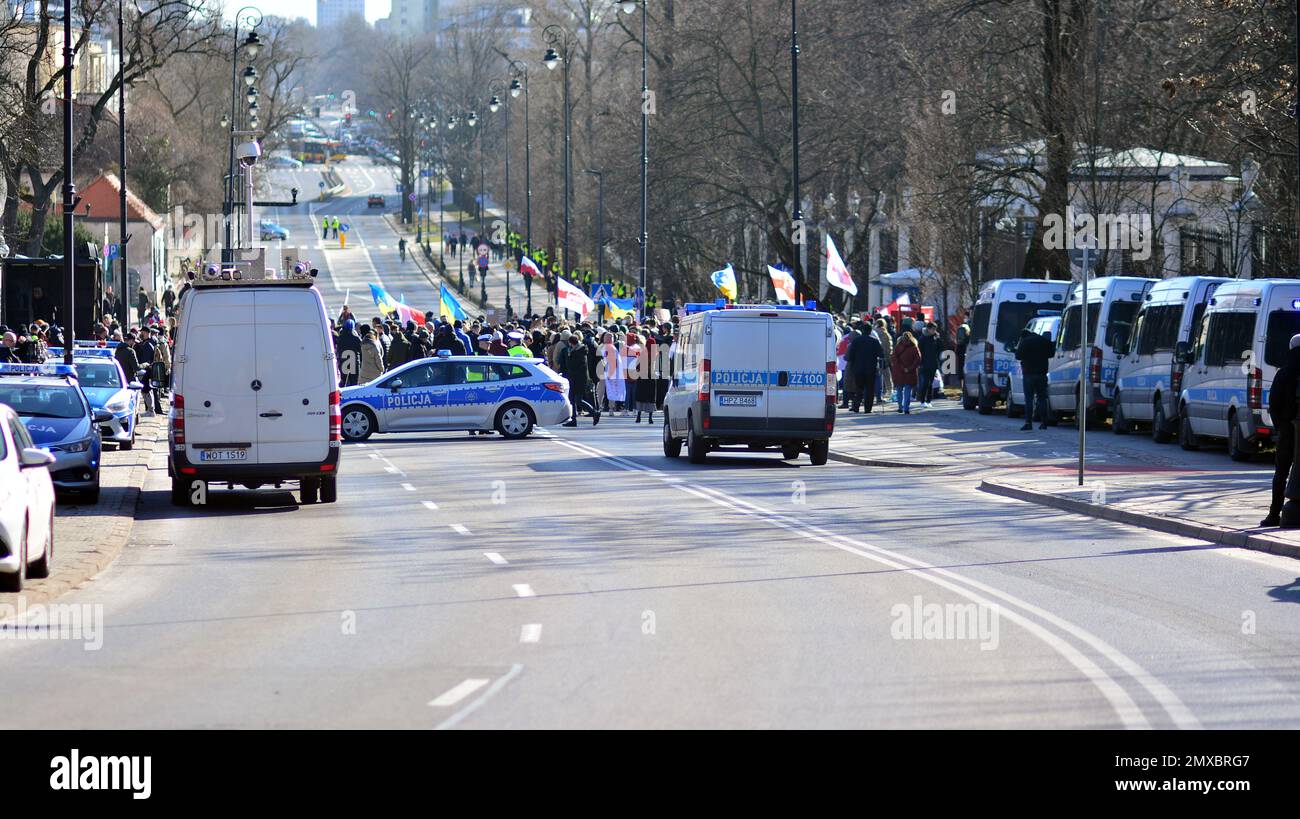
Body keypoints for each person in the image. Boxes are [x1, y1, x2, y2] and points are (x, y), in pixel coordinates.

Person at [1262, 334, 1300, 526]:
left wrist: (1282, 427)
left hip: (1287, 431)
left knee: (1281, 473)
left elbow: (1274, 404)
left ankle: (1274, 513)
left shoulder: (1284, 373)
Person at [1015, 326, 1054, 431]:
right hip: (1042, 374)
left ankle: (1028, 423)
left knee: (1029, 399)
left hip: (1029, 374)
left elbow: (1017, 356)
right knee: (1042, 399)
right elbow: (1052, 353)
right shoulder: (1043, 340)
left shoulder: (1025, 341)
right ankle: (1044, 423)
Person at [561, 334, 599, 426]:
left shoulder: (577, 352)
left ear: (571, 343)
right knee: (574, 400)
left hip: (577, 379)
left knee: (577, 400)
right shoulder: (580, 350)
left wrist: (569, 356)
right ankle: (574, 420)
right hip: (578, 378)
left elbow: (572, 365)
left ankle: (594, 412)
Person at [846, 322, 884, 413]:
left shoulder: (856, 341)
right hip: (871, 368)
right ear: (870, 331)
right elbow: (881, 354)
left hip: (858, 368)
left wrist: (852, 365)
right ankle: (868, 408)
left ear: (862, 330)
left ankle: (856, 406)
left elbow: (851, 356)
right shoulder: (874, 341)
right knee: (870, 389)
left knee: (858, 388)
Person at [891, 331, 921, 414]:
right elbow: (918, 360)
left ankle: (900, 407)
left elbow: (894, 359)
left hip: (899, 372)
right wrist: (909, 368)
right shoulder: (914, 348)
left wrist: (902, 368)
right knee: (908, 390)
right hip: (910, 373)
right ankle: (906, 408)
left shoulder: (897, 347)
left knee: (899, 390)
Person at [917, 322, 942, 407]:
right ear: (928, 329)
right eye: (933, 329)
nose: (934, 331)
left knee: (931, 383)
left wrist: (938, 339)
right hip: (924, 363)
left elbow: (939, 349)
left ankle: (929, 400)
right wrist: (920, 363)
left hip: (933, 363)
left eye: (935, 329)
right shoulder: (923, 338)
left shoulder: (935, 337)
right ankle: (922, 400)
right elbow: (919, 351)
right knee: (925, 383)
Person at [337, 319, 362, 386]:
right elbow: (361, 351)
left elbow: (338, 350)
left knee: (342, 383)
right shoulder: (356, 338)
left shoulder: (340, 338)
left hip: (344, 362)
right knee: (354, 384)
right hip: (354, 363)